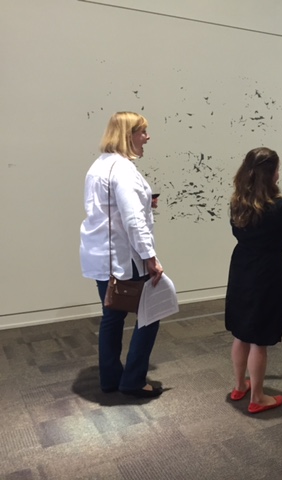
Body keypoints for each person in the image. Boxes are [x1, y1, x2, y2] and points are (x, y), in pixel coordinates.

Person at [80, 112, 165, 398]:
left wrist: (144, 202)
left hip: (102, 255)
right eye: (143, 132)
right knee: (151, 313)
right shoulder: (123, 169)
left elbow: (111, 209)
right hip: (123, 257)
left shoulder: (99, 165)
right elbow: (132, 220)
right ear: (128, 135)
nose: (147, 137)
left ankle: (110, 378)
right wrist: (150, 257)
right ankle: (133, 380)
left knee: (112, 315)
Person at [225, 147, 282, 413]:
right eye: (277, 169)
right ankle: (257, 398)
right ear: (270, 173)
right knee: (259, 338)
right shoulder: (279, 207)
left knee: (241, 333)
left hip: (241, 266)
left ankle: (240, 386)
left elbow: (261, 219)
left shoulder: (238, 201)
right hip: (267, 270)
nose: (279, 174)